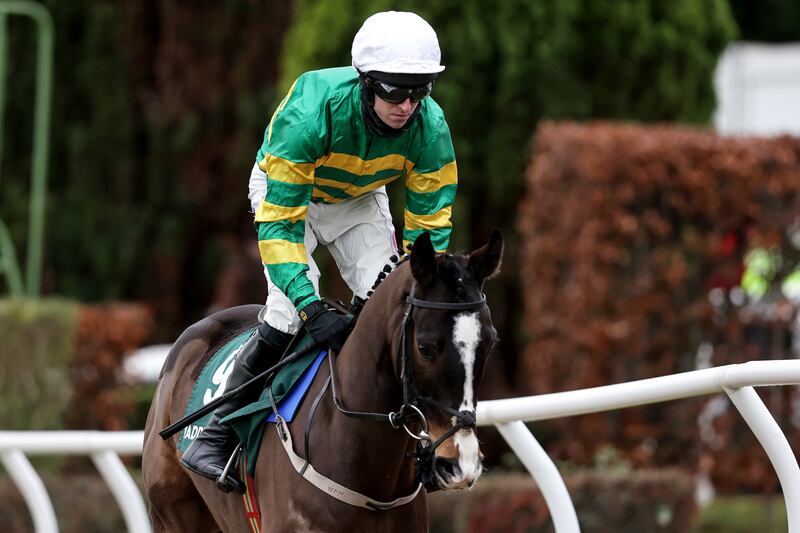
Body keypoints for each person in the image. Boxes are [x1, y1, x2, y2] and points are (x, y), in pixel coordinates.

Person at [180, 10, 458, 493]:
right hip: (290, 196)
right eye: (394, 90)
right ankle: (217, 429)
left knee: (400, 306)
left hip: (358, 200)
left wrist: (423, 282)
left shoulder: (431, 127)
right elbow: (281, 224)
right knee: (287, 313)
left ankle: (419, 441)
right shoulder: (312, 109)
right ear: (366, 80)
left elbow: (430, 224)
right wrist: (311, 308)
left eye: (419, 90)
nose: (407, 105)